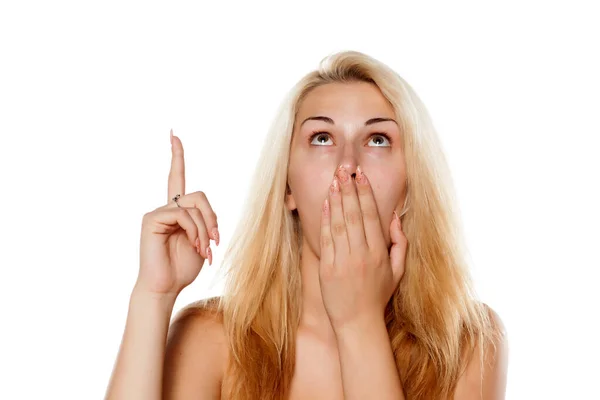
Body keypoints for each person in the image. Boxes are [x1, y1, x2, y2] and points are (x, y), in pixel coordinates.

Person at [105, 50, 508, 400]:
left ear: (409, 187)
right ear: (287, 187)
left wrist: (359, 321)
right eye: (321, 138)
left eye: (378, 140)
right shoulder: (213, 339)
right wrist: (153, 297)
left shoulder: (469, 342)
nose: (347, 165)